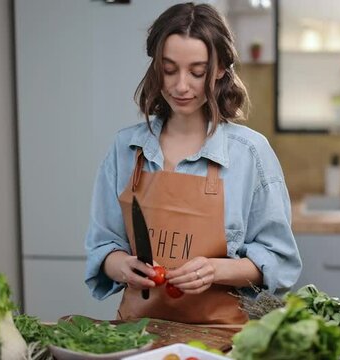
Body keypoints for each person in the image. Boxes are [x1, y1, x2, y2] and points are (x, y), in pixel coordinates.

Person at [84, 2, 301, 324]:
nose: (180, 85)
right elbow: (104, 244)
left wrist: (215, 269)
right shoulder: (126, 148)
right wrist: (119, 265)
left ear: (220, 70)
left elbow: (279, 262)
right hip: (137, 335)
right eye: (169, 70)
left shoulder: (250, 153)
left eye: (197, 72)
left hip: (223, 341)